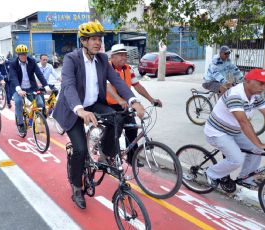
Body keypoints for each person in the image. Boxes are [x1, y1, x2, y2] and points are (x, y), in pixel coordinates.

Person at [52, 20, 145, 209]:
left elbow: (117, 82)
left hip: (93, 104)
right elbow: (68, 85)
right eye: (93, 39)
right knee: (79, 150)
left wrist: (134, 101)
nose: (98, 43)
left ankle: (106, 152)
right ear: (84, 41)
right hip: (74, 109)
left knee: (118, 116)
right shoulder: (72, 59)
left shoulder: (102, 59)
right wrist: (79, 109)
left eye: (100, 39)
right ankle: (77, 187)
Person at [204, 68, 265, 189]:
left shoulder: (256, 95)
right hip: (217, 132)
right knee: (236, 159)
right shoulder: (235, 95)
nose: (263, 87)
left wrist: (259, 146)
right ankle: (210, 173)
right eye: (260, 83)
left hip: (234, 131)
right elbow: (244, 122)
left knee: (258, 151)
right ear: (247, 81)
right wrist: (259, 143)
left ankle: (246, 178)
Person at [106, 43, 162, 166]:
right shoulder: (107, 68)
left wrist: (151, 99)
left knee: (132, 130)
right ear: (112, 57)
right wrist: (118, 99)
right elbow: (107, 86)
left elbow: (137, 86)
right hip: (110, 105)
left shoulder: (128, 68)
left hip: (125, 104)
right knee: (116, 130)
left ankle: (132, 158)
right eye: (120, 55)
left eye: (125, 55)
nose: (124, 58)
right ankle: (111, 156)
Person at [9, 44, 51, 135]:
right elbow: (13, 77)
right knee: (18, 102)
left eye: (24, 54)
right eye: (21, 54)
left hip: (31, 88)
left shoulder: (32, 61)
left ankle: (33, 116)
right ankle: (20, 124)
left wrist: (46, 86)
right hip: (18, 89)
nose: (23, 56)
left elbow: (39, 74)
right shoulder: (13, 64)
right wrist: (19, 89)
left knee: (40, 103)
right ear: (17, 55)